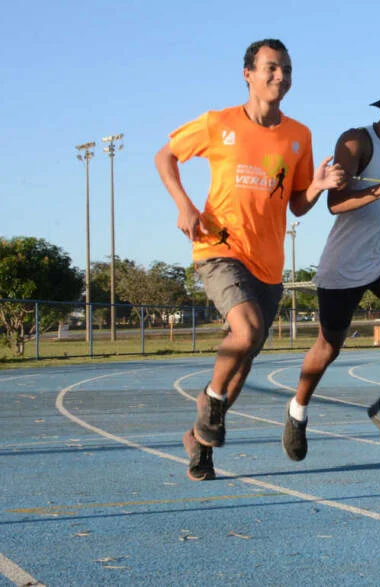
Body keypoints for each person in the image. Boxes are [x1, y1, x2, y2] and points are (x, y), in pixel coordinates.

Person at [154, 39, 345, 482]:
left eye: (287, 70)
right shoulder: (218, 123)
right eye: (271, 68)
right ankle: (212, 403)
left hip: (269, 263)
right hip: (219, 247)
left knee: (245, 358)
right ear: (248, 74)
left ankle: (200, 443)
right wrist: (184, 204)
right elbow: (165, 156)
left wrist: (316, 186)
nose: (280, 77)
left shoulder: (299, 136)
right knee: (248, 329)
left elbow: (297, 204)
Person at [282, 73, 380, 460]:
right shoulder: (356, 141)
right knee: (328, 346)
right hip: (346, 261)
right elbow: (335, 203)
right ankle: (297, 409)